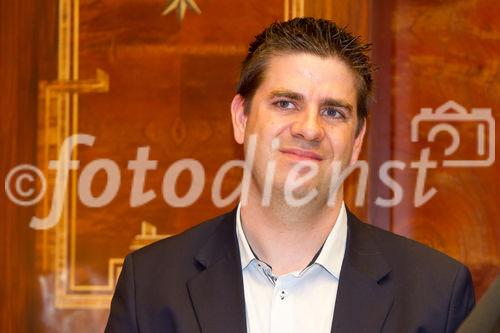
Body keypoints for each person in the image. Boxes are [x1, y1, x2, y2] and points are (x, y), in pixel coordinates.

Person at [106, 17, 475, 333]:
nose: (309, 129)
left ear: (358, 139)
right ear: (241, 117)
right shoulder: (151, 285)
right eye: (286, 103)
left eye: (333, 112)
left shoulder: (436, 295)